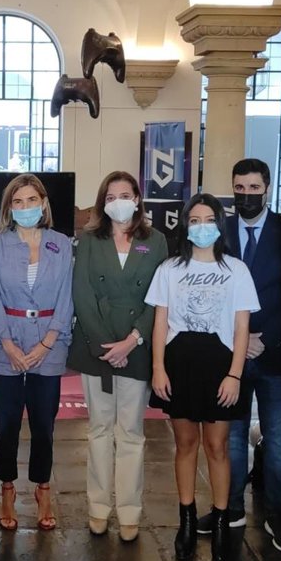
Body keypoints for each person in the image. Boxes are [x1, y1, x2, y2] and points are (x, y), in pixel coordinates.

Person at [148, 194, 256, 561]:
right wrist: (158, 368)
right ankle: (187, 521)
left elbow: (242, 327)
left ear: (219, 224)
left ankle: (222, 521)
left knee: (217, 446)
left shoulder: (236, 270)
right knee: (185, 444)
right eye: (194, 220)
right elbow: (160, 321)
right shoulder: (169, 269)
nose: (202, 226)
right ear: (185, 225)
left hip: (220, 364)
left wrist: (235, 374)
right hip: (179, 362)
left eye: (209, 219)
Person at [69, 171, 168, 541]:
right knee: (98, 429)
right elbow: (82, 293)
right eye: (111, 197)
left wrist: (133, 339)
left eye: (125, 195)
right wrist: (104, 346)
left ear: (137, 199)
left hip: (137, 347)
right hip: (96, 347)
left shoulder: (155, 241)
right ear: (102, 203)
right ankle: (98, 507)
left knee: (131, 432)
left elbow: (159, 297)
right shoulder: (89, 240)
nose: (118, 202)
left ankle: (129, 511)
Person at [212, 158, 281, 553]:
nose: (246, 195)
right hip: (230, 353)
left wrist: (266, 338)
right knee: (231, 437)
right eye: (239, 188)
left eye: (254, 188)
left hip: (276, 354)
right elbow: (212, 289)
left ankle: (278, 513)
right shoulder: (219, 230)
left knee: (277, 441)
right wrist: (240, 340)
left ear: (267, 188)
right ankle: (230, 507)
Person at [0, 174, 73, 531]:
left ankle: (42, 487)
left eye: (31, 200)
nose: (25, 207)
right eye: (17, 202)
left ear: (43, 203)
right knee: (6, 424)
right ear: (9, 208)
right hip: (5, 342)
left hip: (49, 342)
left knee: (43, 424)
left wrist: (48, 341)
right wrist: (6, 343)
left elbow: (67, 296)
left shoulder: (61, 244)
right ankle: (7, 488)